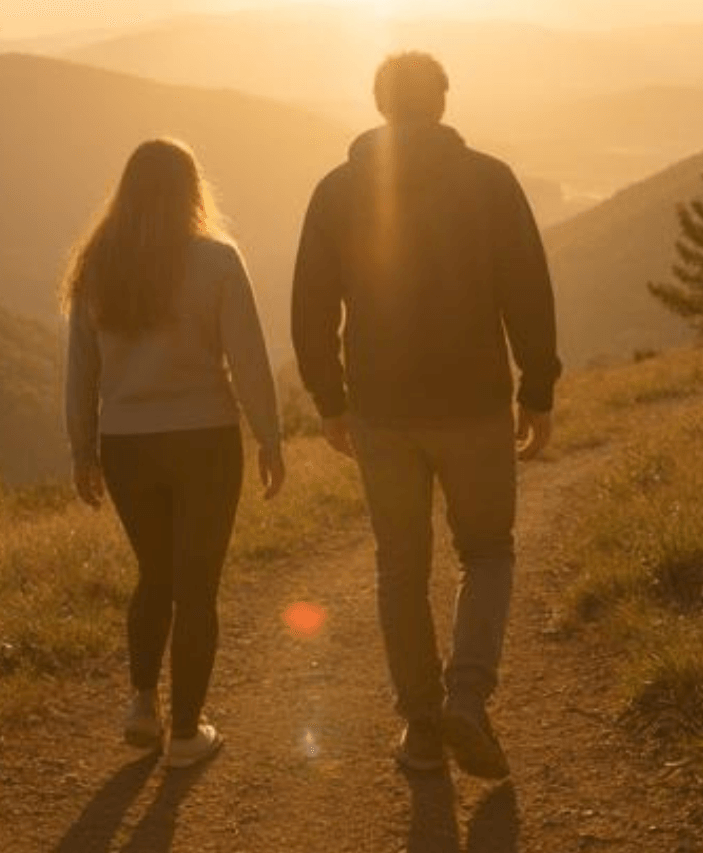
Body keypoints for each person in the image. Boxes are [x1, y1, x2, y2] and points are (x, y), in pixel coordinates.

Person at [291, 52, 560, 780]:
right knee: (488, 552)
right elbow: (528, 290)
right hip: (473, 403)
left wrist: (329, 402)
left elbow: (310, 309)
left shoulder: (338, 190)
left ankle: (420, 727)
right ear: (441, 102)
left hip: (381, 410)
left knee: (400, 567)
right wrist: (538, 388)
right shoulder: (491, 182)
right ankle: (466, 702)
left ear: (380, 103)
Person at [63, 137, 285, 768]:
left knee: (155, 575)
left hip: (127, 445)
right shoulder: (216, 260)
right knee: (197, 587)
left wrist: (82, 448)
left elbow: (79, 369)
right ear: (193, 190)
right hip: (205, 441)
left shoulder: (97, 264)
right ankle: (186, 733)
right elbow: (247, 359)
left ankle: (141, 704)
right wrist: (269, 437)